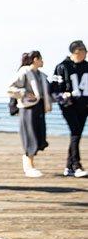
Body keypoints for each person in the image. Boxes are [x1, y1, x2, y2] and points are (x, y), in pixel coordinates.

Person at [7, 51, 51, 177]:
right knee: (30, 135)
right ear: (36, 59)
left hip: (39, 107)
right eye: (41, 59)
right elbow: (10, 88)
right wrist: (25, 93)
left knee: (39, 136)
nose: (43, 62)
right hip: (27, 107)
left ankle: (28, 162)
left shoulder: (41, 75)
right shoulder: (24, 72)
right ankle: (30, 166)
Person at [50, 40, 88, 177]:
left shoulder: (86, 66)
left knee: (76, 135)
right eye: (85, 51)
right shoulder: (62, 67)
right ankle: (77, 166)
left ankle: (69, 167)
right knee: (75, 132)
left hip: (84, 106)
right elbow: (54, 89)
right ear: (77, 51)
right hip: (69, 106)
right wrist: (63, 95)